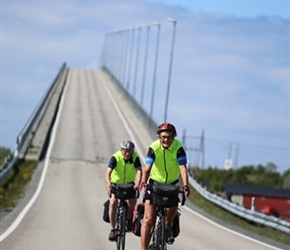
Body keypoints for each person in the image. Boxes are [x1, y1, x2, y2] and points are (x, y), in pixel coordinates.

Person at [140, 123, 190, 250]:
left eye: (168, 137)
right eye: (162, 137)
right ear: (158, 137)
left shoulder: (178, 148)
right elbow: (146, 169)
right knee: (148, 219)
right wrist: (143, 184)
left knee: (173, 207)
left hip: (172, 184)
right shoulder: (154, 148)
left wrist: (186, 186)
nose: (165, 140)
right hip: (155, 183)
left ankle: (167, 226)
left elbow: (183, 169)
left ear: (174, 137)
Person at [105, 140, 142, 242]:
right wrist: (109, 186)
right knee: (113, 202)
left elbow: (139, 170)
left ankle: (128, 219)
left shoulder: (135, 157)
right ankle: (113, 229)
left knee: (133, 201)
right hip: (116, 184)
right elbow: (108, 173)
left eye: (130, 151)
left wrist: (137, 184)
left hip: (129, 184)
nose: (128, 153)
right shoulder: (115, 157)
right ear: (121, 150)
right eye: (125, 151)